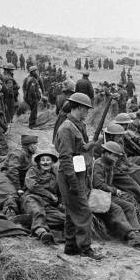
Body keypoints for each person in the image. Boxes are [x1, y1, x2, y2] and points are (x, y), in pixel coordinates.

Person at [54, 92, 103, 260]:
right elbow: (65, 157)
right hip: (70, 175)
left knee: (72, 211)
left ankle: (71, 246)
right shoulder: (66, 128)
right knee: (84, 211)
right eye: (86, 110)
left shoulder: (77, 125)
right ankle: (85, 248)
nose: (87, 113)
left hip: (78, 172)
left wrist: (92, 144)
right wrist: (73, 182)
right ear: (79, 108)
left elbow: (80, 147)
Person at [91, 141, 140, 246]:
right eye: (115, 156)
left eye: (117, 156)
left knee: (129, 206)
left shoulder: (110, 165)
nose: (117, 158)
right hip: (97, 197)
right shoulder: (99, 164)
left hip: (107, 196)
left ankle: (136, 233)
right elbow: (98, 185)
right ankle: (130, 236)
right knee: (116, 209)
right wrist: (115, 191)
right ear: (107, 154)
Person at [21, 147, 65, 245]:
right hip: (32, 198)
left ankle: (31, 221)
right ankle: (41, 231)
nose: (45, 163)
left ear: (52, 162)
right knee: (37, 211)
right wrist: (49, 195)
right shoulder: (32, 171)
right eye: (43, 160)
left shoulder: (56, 174)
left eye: (48, 160)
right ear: (39, 162)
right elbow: (32, 186)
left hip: (48, 204)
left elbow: (60, 192)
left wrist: (60, 204)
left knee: (63, 219)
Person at [0, 134, 38, 216]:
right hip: (5, 178)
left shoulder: (28, 155)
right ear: (29, 145)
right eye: (35, 145)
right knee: (11, 197)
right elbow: (12, 170)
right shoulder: (17, 153)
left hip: (16, 180)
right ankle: (10, 213)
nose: (36, 147)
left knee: (24, 198)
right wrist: (18, 188)